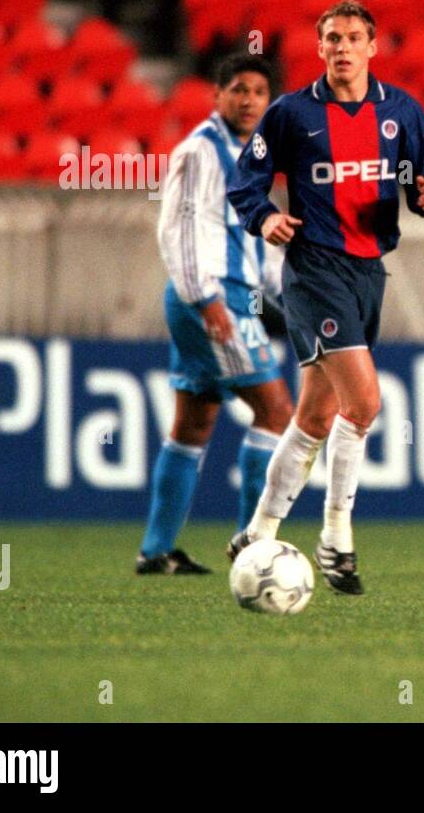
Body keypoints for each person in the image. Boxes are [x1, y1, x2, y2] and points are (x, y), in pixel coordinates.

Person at [225, 0, 424, 595]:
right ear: (320, 47)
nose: (343, 47)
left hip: (368, 271)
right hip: (313, 271)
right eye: (332, 38)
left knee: (317, 415)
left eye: (354, 37)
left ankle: (259, 529)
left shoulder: (399, 110)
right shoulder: (291, 113)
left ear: (373, 47)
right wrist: (264, 219)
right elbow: (245, 182)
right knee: (365, 402)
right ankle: (336, 535)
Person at [139, 54, 293, 574]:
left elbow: (252, 244)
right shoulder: (201, 152)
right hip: (212, 297)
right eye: (239, 90)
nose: (249, 100)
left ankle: (156, 552)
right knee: (276, 412)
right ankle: (254, 548)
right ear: (217, 95)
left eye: (258, 92)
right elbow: (176, 230)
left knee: (192, 424)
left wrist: (293, 289)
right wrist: (206, 300)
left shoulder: (250, 157)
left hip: (224, 294)